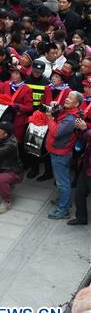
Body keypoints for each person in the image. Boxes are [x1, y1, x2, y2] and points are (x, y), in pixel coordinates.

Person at [45, 90, 86, 219]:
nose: (67, 99)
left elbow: (56, 132)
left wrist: (50, 118)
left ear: (77, 103)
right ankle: (63, 201)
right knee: (63, 179)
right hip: (58, 151)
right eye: (67, 96)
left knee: (63, 182)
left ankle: (63, 209)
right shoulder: (69, 112)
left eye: (70, 98)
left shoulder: (70, 119)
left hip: (60, 153)